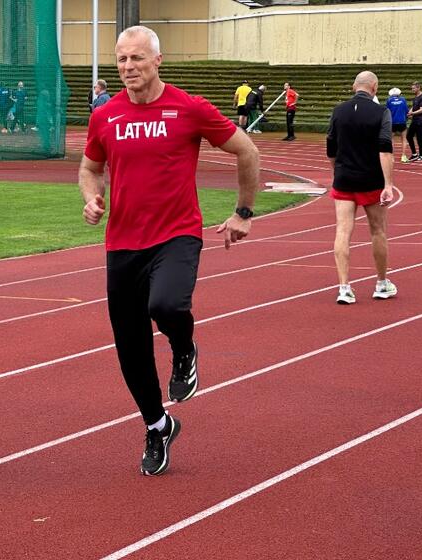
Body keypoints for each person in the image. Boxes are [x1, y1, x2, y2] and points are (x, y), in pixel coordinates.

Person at [79, 26, 260, 476]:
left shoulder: (188, 108)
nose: (128, 67)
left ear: (158, 61)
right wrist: (91, 196)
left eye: (137, 58)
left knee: (166, 305)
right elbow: (90, 166)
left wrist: (243, 212)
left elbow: (247, 151)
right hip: (123, 243)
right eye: (121, 59)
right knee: (130, 347)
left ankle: (183, 348)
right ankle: (158, 425)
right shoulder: (105, 115)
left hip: (176, 235)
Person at [326, 71, 397, 305]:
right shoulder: (381, 112)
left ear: (353, 87)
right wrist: (388, 184)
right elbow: (385, 149)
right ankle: (381, 283)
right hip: (371, 180)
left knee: (342, 231)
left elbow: (331, 148)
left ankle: (344, 288)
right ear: (374, 88)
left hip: (344, 179)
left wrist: (337, 171)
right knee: (378, 231)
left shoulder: (338, 111)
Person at [405, 81, 422, 162]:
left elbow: (421, 110)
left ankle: (421, 156)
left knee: (419, 138)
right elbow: (414, 107)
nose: (412, 90)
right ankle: (414, 154)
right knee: (409, 136)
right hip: (415, 120)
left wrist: (412, 113)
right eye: (412, 88)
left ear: (418, 88)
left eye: (414, 88)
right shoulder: (415, 97)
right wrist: (409, 112)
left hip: (420, 121)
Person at [386, 87, 408, 163]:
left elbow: (387, 111)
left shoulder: (389, 100)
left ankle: (392, 157)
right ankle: (403, 156)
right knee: (404, 139)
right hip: (402, 121)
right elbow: (406, 111)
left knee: (391, 139)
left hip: (392, 122)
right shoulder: (403, 100)